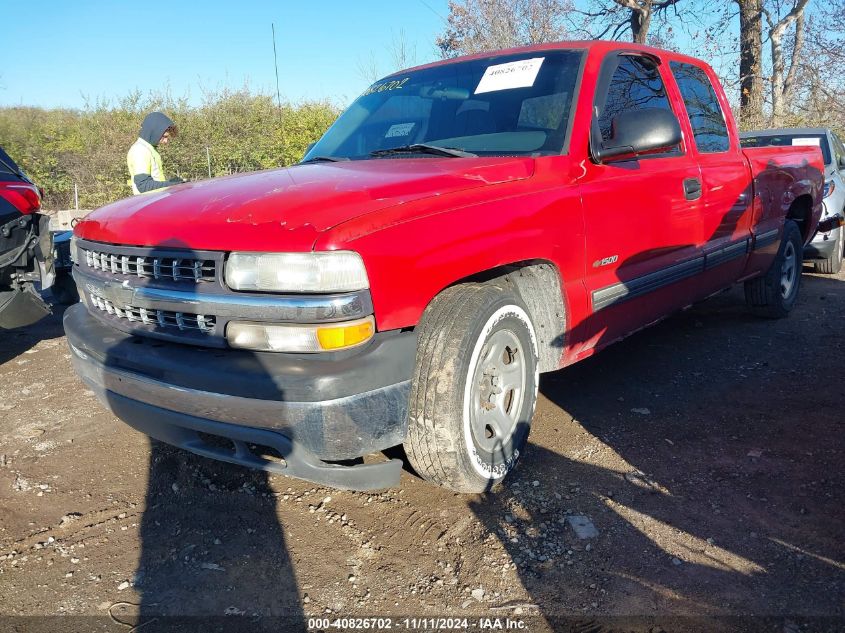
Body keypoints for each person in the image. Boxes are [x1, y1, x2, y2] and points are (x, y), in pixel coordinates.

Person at [127, 111, 184, 195]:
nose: (166, 141)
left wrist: (171, 182)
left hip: (154, 199)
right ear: (153, 132)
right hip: (148, 202)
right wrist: (173, 185)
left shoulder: (149, 148)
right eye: (164, 137)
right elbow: (144, 186)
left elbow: (155, 180)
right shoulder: (140, 150)